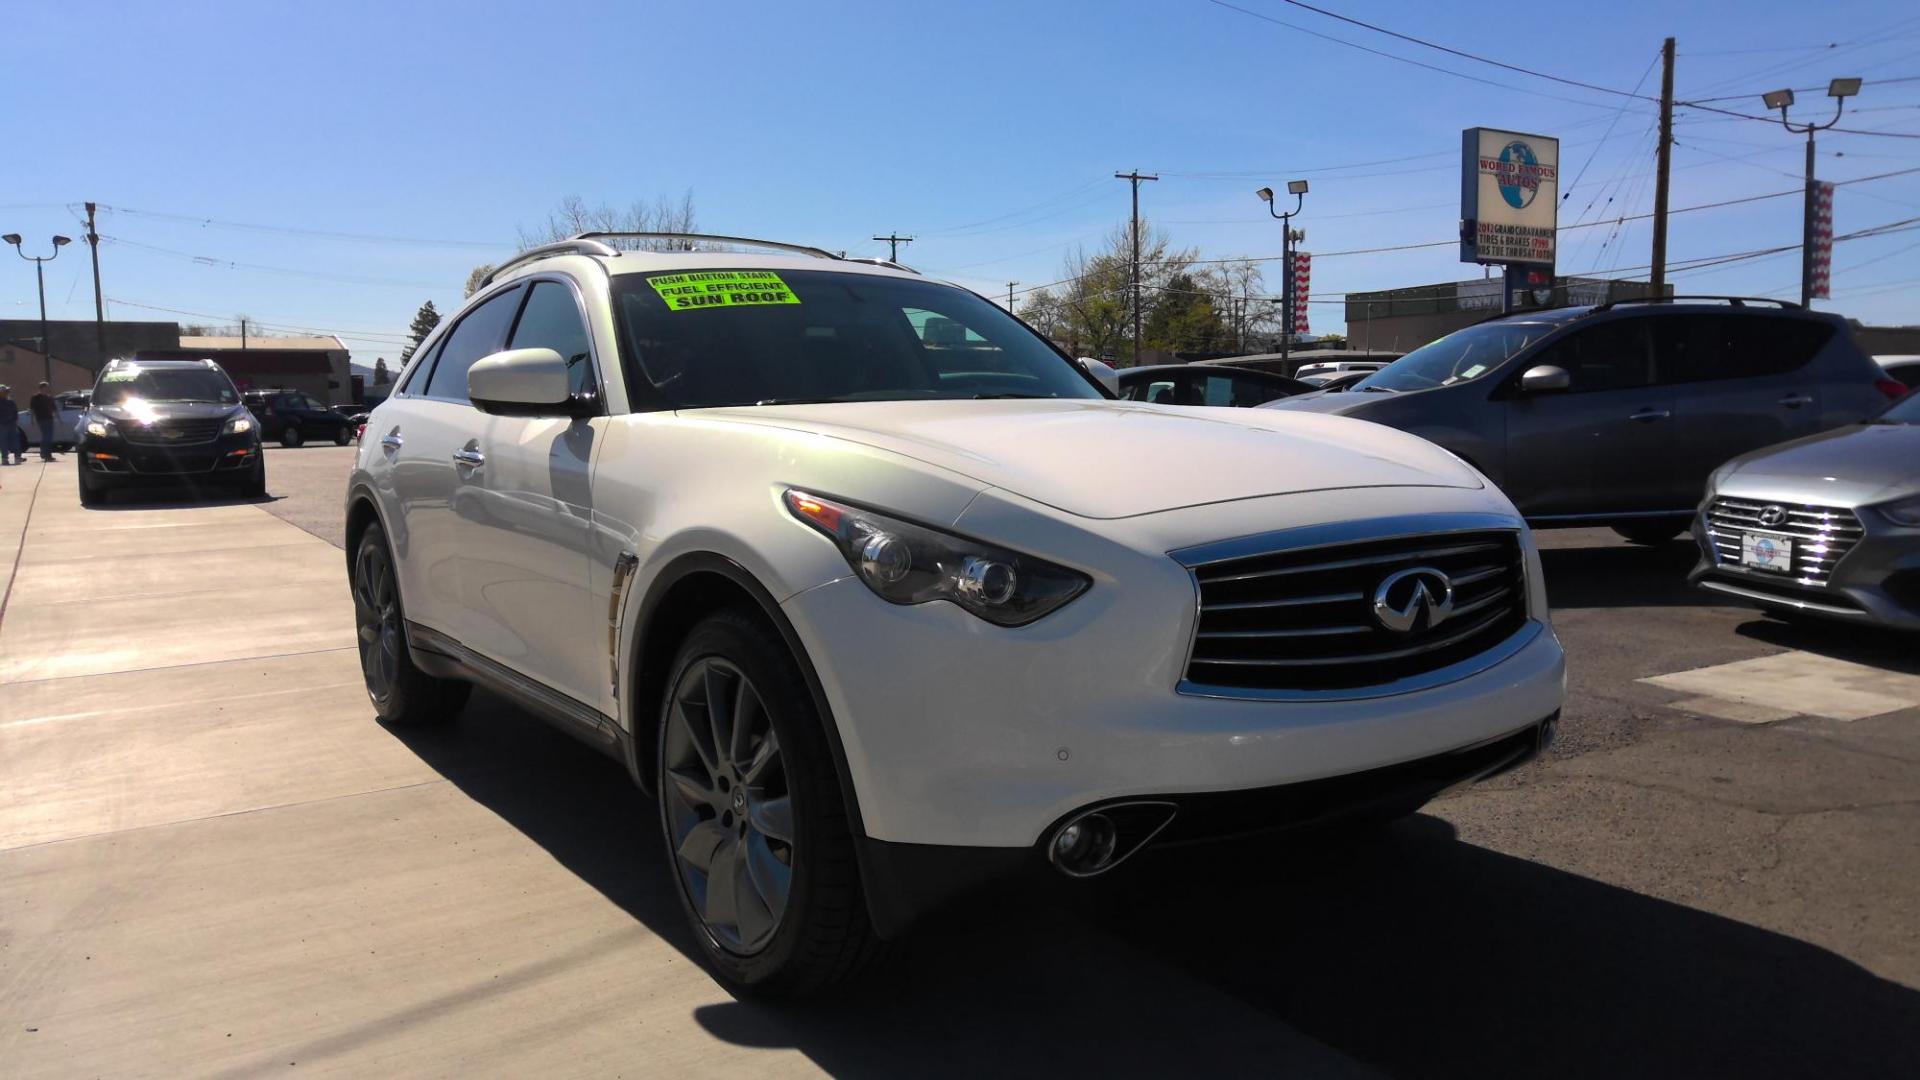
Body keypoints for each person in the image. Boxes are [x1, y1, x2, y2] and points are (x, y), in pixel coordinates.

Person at [29, 381, 56, 461]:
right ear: (41, 388)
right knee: (46, 436)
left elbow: (54, 408)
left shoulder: (49, 397)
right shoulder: (35, 397)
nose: (47, 389)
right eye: (46, 387)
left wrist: (58, 418)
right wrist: (32, 420)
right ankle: (44, 453)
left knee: (50, 437)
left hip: (49, 418)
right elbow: (32, 409)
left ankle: (48, 454)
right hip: (41, 419)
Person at [0, 384, 20, 465]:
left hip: (12, 424)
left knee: (15, 441)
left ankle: (17, 457)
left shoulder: (11, 401)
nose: (8, 392)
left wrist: (15, 421)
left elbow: (15, 412)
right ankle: (5, 459)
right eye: (6, 391)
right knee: (4, 442)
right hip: (2, 425)